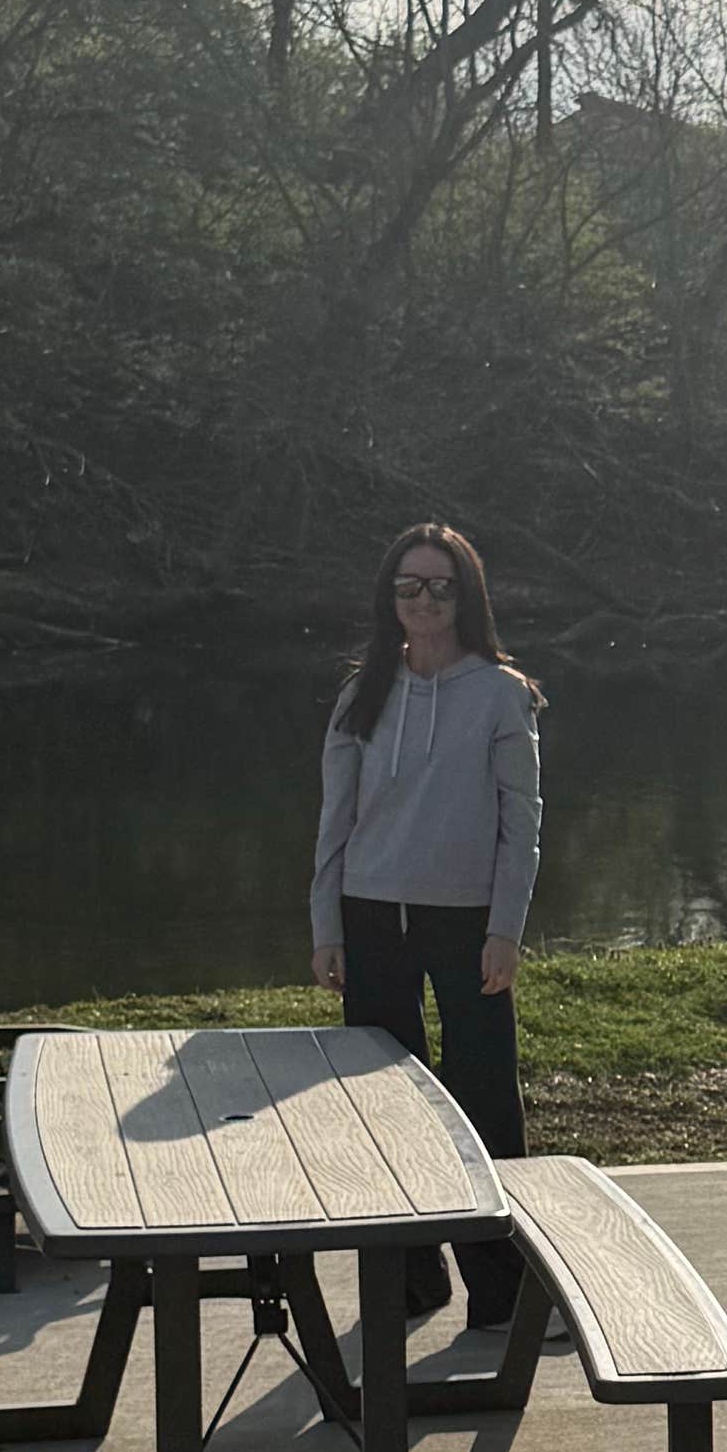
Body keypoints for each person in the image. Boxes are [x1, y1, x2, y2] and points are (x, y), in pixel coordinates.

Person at [309, 522, 543, 1332]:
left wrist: (506, 929)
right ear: (389, 597)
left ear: (465, 595)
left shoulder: (502, 693)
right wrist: (325, 923)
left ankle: (502, 1290)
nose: (423, 601)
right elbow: (334, 816)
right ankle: (414, 1276)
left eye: (439, 586)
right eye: (408, 586)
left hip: (467, 921)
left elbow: (524, 823)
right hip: (371, 914)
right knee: (385, 1108)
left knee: (484, 1100)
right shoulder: (363, 692)